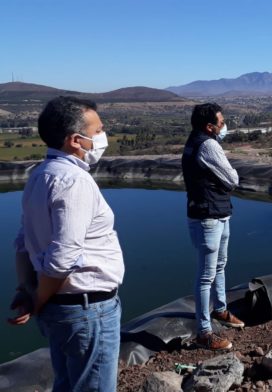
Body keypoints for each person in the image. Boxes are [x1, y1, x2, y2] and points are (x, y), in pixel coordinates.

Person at [8, 96, 124, 391]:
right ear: (75, 140)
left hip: (62, 309)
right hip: (86, 311)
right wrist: (38, 301)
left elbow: (23, 242)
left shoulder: (39, 175)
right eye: (98, 130)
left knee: (67, 383)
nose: (102, 136)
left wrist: (26, 288)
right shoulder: (74, 181)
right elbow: (63, 258)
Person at [182, 102, 244, 351]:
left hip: (216, 212)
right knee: (206, 274)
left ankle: (220, 310)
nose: (224, 125)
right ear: (209, 127)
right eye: (221, 122)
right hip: (208, 217)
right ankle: (204, 332)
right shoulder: (208, 145)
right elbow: (232, 179)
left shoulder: (194, 141)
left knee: (219, 265)